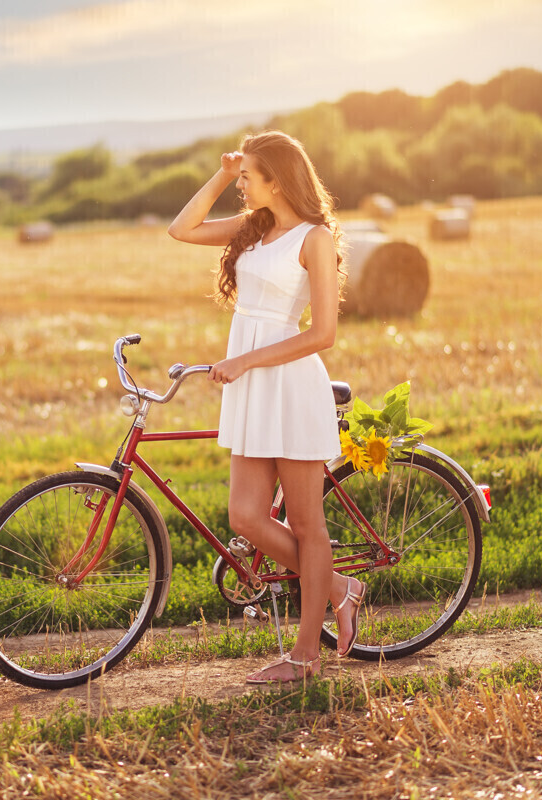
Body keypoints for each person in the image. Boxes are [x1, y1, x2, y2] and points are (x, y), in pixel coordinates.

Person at [167, 131, 365, 684]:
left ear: (277, 179)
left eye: (251, 175)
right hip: (252, 384)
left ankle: (305, 656)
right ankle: (340, 589)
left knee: (306, 523)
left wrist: (249, 362)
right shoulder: (254, 227)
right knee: (246, 517)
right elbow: (180, 229)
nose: (244, 184)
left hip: (289, 384)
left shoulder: (315, 237)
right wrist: (224, 173)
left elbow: (323, 333)